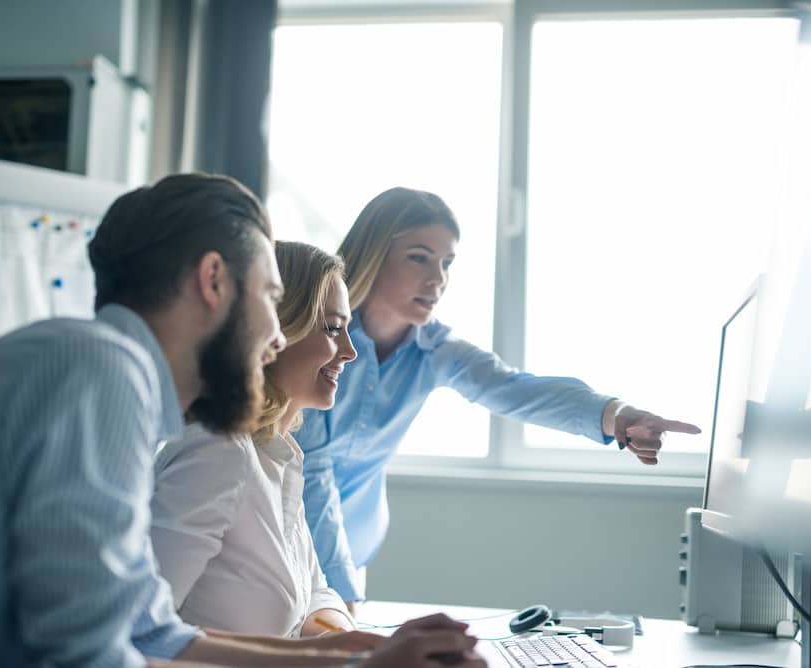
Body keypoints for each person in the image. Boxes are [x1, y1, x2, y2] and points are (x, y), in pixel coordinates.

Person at [0, 175, 483, 668]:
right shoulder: (100, 371)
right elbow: (87, 653)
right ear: (213, 281)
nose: (277, 340)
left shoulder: (117, 383)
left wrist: (356, 660)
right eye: (271, 299)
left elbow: (153, 632)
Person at [296, 186, 703, 609]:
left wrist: (616, 415)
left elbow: (516, 389)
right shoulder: (317, 339)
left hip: (353, 555)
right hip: (294, 546)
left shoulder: (436, 350)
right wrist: (343, 594)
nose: (438, 280)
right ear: (375, 253)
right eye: (419, 257)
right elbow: (313, 472)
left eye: (446, 263)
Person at [149, 241, 359, 639]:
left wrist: (351, 647)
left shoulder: (277, 455)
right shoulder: (218, 453)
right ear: (275, 330)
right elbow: (142, 631)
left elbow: (315, 591)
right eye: (332, 328)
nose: (349, 351)